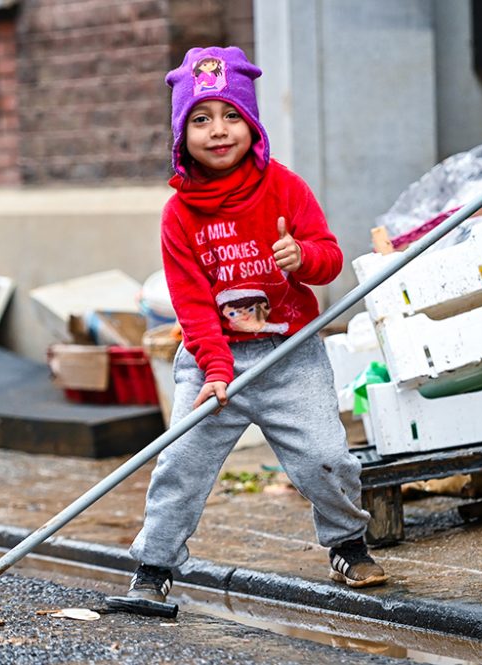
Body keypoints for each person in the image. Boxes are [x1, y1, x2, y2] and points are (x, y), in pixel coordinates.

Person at [125, 46, 388, 605]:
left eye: (231, 117)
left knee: (327, 456)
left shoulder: (285, 187)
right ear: (181, 133)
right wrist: (215, 370)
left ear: (252, 124)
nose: (218, 131)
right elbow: (192, 303)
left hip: (287, 353)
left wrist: (304, 259)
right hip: (213, 359)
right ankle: (153, 567)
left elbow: (329, 257)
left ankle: (348, 542)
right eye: (201, 119)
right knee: (180, 463)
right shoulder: (180, 215)